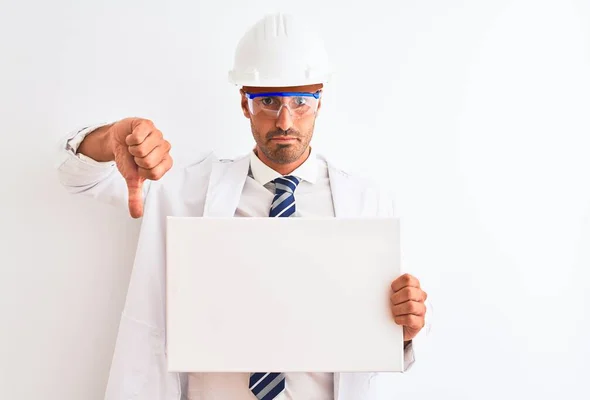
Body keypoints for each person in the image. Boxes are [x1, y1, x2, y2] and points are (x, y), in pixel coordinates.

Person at [57, 12, 431, 400]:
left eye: (301, 101)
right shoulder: (184, 191)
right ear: (244, 103)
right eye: (267, 100)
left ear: (320, 103)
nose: (285, 120)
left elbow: (396, 330)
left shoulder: (367, 203)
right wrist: (108, 139)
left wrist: (406, 328)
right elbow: (79, 177)